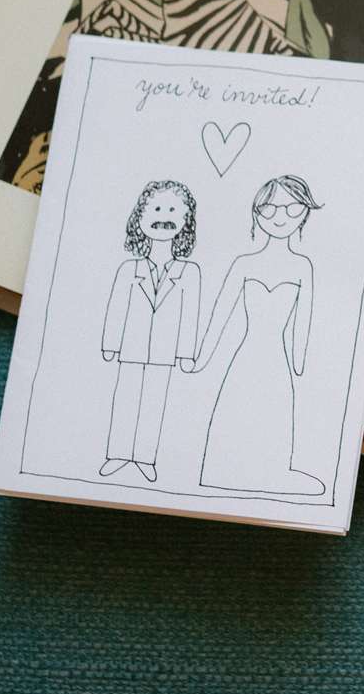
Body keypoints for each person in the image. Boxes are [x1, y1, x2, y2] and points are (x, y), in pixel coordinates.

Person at [191, 175, 324, 494]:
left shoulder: (303, 266)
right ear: (257, 212)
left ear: (304, 213)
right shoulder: (244, 264)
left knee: (274, 409)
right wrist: (200, 359)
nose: (280, 217)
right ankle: (224, 470)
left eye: (292, 208)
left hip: (277, 359)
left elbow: (303, 321)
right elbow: (219, 316)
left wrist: (300, 363)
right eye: (270, 208)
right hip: (247, 354)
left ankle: (271, 471)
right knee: (238, 405)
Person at [98, 180, 203, 481]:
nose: (163, 217)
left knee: (154, 403)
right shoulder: (128, 269)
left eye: (172, 210)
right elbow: (116, 308)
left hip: (164, 351)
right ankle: (118, 454)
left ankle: (145, 458)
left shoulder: (189, 271)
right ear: (140, 218)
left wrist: (186, 353)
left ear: (185, 221)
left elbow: (190, 315)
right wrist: (110, 344)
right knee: (126, 399)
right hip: (131, 346)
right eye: (156, 209)